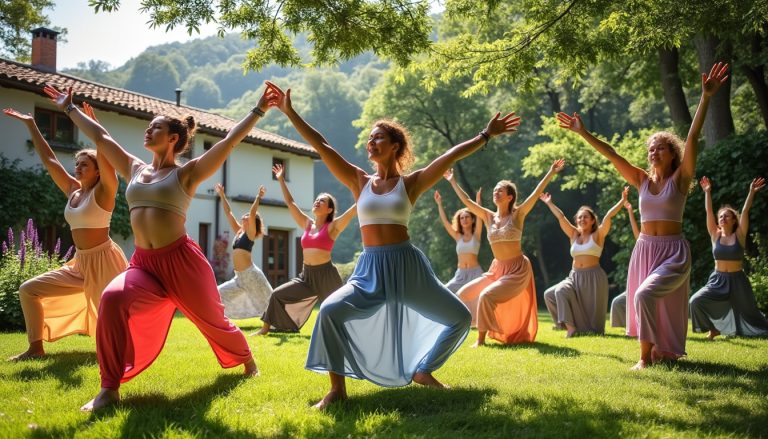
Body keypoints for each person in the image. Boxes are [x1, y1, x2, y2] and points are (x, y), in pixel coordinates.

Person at [266, 81, 520, 408]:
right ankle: (337, 390)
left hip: (407, 269)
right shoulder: (359, 181)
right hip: (370, 270)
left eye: (378, 138)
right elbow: (321, 144)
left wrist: (485, 135)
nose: (371, 142)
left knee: (458, 318)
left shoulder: (410, 184)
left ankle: (424, 371)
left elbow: (449, 156)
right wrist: (290, 113)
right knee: (329, 311)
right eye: (370, 138)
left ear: (395, 146)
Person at [43, 83, 277, 410]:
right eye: (149, 126)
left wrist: (259, 110)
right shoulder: (135, 169)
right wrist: (69, 108)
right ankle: (109, 388)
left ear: (173, 139)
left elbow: (229, 142)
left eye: (156, 127)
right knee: (112, 298)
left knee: (213, 322)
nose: (148, 130)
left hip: (182, 262)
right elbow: (102, 138)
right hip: (145, 264)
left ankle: (247, 360)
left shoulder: (187, 174)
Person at [557, 61, 729, 369]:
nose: (654, 152)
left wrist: (705, 98)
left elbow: (692, 139)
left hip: (673, 252)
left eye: (661, 148)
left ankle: (644, 359)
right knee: (649, 299)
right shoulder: (641, 180)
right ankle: (655, 353)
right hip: (645, 249)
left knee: (645, 296)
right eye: (651, 148)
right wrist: (583, 133)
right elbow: (612, 155)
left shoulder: (681, 179)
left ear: (672, 154)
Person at [3, 105, 128, 361]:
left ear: (98, 170)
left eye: (85, 164)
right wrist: (31, 124)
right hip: (80, 264)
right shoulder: (73, 190)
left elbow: (108, 161)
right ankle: (35, 348)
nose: (78, 167)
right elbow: (50, 161)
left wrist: (96, 129)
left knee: (113, 317)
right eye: (77, 164)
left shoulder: (105, 191)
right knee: (28, 290)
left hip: (104, 261)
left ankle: (124, 354)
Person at [447, 160, 564, 346]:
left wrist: (551, 172)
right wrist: (453, 181)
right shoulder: (488, 216)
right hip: (497, 269)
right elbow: (467, 202)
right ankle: (456, 329)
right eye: (495, 190)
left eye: (500, 190)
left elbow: (535, 194)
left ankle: (480, 341)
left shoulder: (518, 215)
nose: (496, 192)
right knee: (462, 294)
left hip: (517, 269)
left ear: (510, 197)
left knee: (486, 296)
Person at [256, 163, 356, 335]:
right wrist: (281, 180)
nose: (317, 201)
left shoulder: (333, 227)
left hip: (326, 275)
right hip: (306, 276)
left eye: (322, 201)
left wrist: (365, 192)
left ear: (329, 209)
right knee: (277, 294)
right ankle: (264, 330)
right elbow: (290, 203)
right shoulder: (307, 224)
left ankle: (351, 334)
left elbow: (352, 212)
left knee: (340, 308)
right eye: (316, 199)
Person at [541, 187, 628, 337]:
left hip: (593, 277)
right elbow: (561, 217)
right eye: (580, 217)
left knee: (592, 324)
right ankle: (568, 327)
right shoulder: (574, 234)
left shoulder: (598, 234)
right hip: (574, 276)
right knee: (551, 294)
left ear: (593, 220)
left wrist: (622, 201)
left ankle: (574, 328)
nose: (582, 219)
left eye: (586, 217)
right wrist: (549, 203)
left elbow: (608, 216)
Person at [689, 176, 768, 339]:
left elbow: (745, 211)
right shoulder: (715, 235)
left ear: (733, 221)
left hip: (738, 280)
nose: (723, 218)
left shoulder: (739, 235)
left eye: (727, 216)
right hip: (718, 280)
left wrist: (751, 192)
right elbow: (708, 212)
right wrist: (707, 192)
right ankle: (713, 329)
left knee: (752, 316)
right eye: (721, 217)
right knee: (695, 301)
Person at [214, 183, 273, 320]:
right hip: (239, 277)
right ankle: (219, 319)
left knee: (268, 302)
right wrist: (222, 195)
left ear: (252, 222)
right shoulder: (239, 232)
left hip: (251, 275)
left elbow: (252, 213)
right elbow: (228, 213)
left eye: (248, 216)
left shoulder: (250, 234)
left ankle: (279, 321)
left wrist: (258, 197)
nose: (245, 215)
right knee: (217, 293)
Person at [433, 187, 485, 294]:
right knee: (445, 291)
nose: (464, 220)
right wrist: (439, 204)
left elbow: (480, 217)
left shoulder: (476, 234)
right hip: (460, 275)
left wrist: (478, 203)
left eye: (467, 217)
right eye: (462, 218)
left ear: (472, 219)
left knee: (480, 297)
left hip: (475, 274)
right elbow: (445, 221)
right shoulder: (457, 236)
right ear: (459, 221)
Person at [610, 198, 641, 328]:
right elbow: (637, 234)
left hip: (648, 289)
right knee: (617, 302)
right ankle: (627, 330)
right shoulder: (642, 243)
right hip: (637, 286)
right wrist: (629, 211)